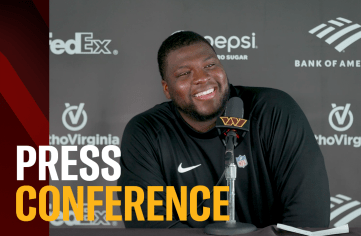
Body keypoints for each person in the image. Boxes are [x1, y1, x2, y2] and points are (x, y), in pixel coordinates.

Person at [117, 31, 330, 228]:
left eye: (209, 66)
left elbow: (308, 218)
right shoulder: (146, 132)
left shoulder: (273, 111)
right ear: (167, 89)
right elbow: (150, 227)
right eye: (184, 73)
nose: (201, 78)